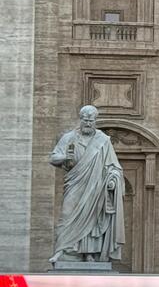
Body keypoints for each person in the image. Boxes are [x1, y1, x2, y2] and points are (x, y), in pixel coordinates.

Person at [48, 105, 125, 264]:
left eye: (91, 121)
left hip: (96, 186)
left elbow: (114, 166)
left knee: (93, 218)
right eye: (85, 120)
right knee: (67, 216)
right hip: (75, 184)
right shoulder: (69, 137)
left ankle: (90, 253)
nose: (88, 123)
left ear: (95, 121)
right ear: (80, 119)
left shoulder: (103, 141)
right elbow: (53, 158)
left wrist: (112, 179)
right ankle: (62, 251)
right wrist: (64, 158)